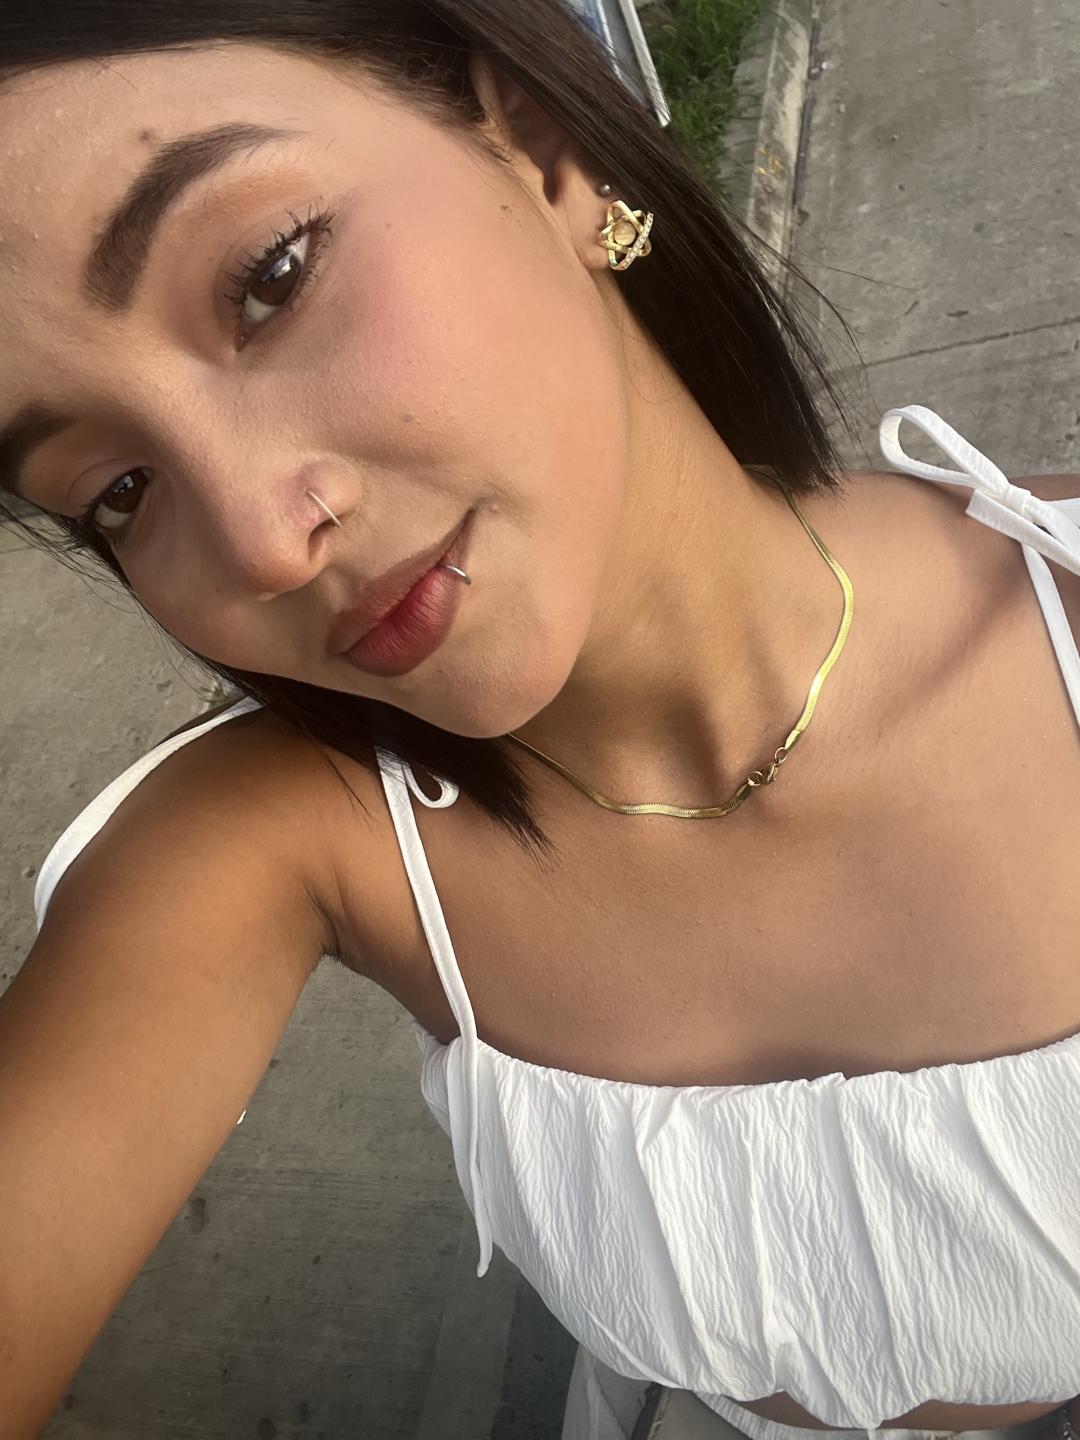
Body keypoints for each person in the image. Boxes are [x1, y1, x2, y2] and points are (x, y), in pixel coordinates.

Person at [1, 2, 1078, 1438]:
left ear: (547, 150)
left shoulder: (1058, 615)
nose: (260, 541)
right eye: (118, 492)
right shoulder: (294, 843)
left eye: (271, 277)